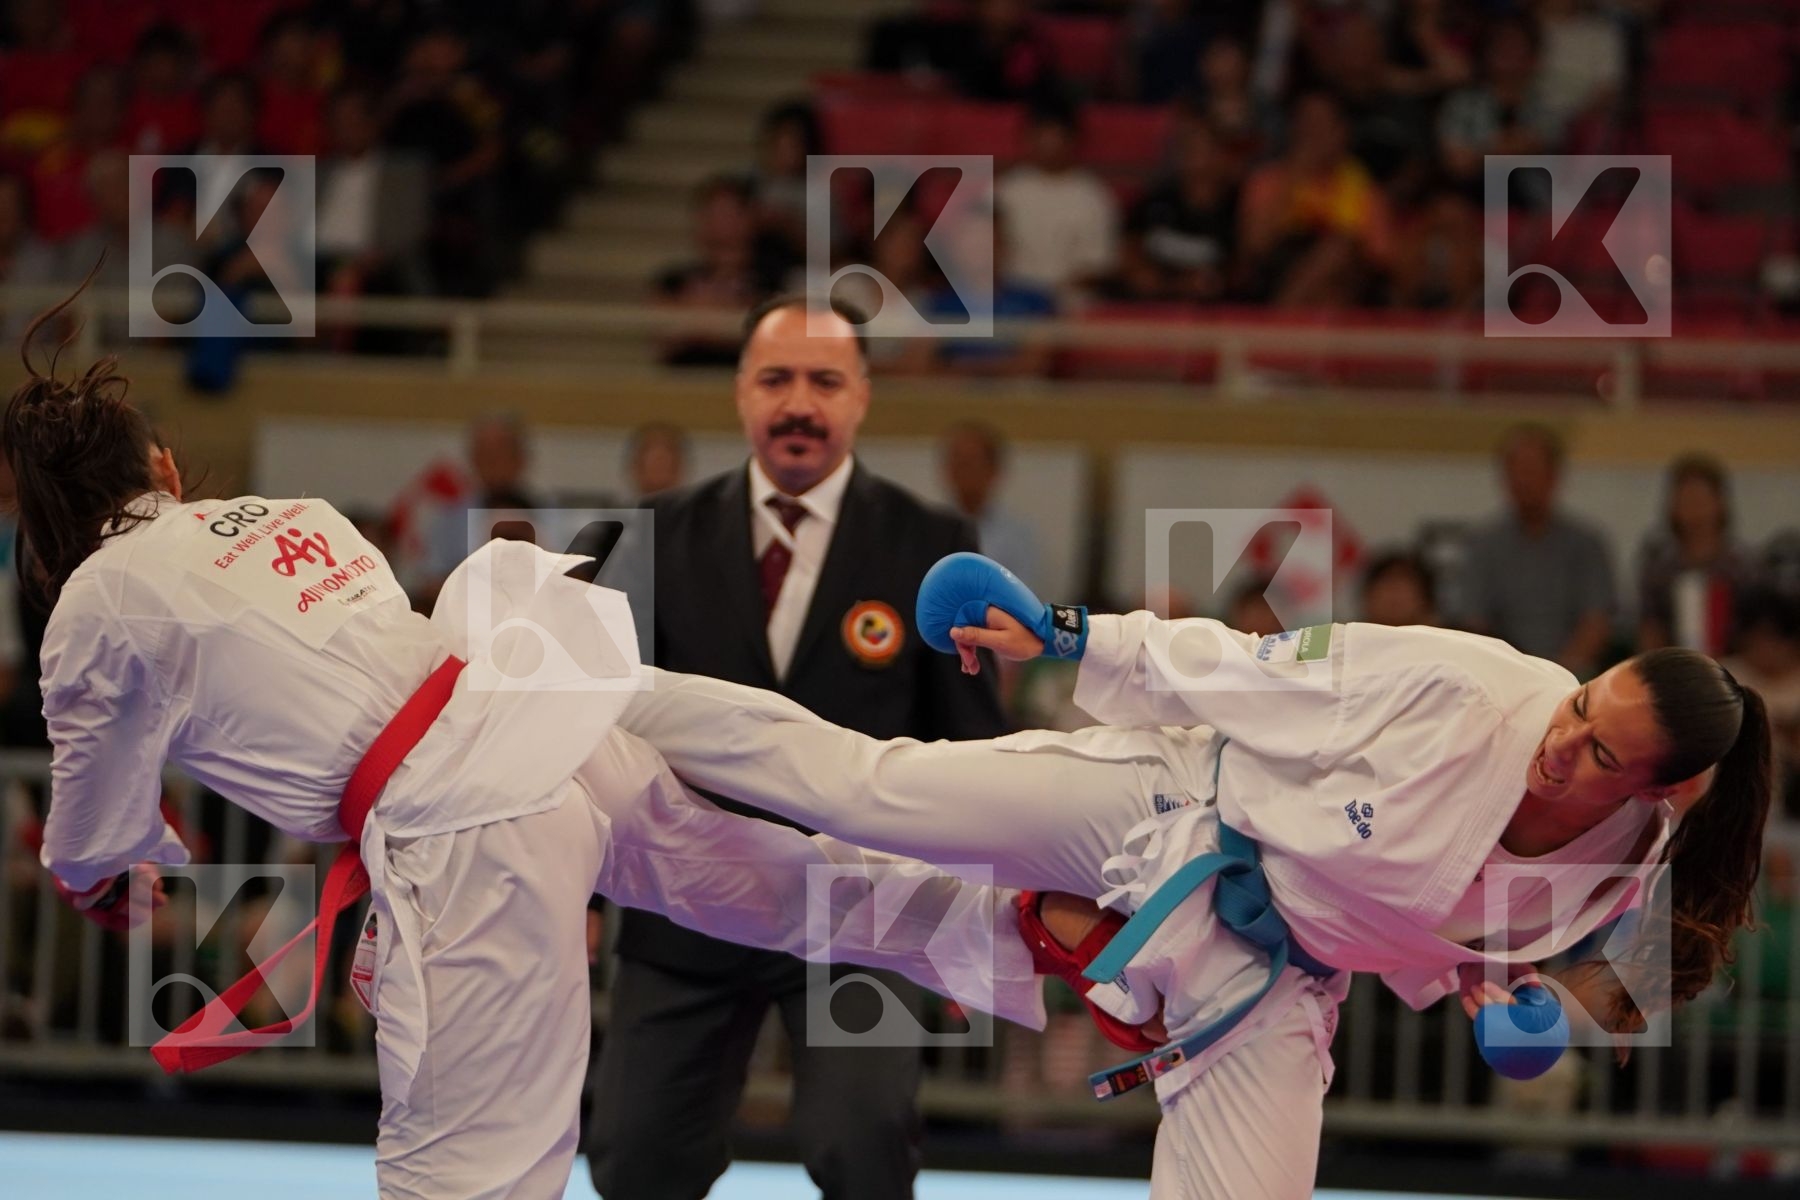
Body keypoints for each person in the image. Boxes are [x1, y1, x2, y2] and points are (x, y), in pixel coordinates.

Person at [7, 290, 1047, 1200]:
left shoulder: (92, 607)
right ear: (165, 467)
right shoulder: (283, 514)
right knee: (793, 866)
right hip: (547, 708)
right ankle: (1046, 922)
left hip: (467, 822)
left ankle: (1042, 918)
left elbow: (94, 822)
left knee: (465, 1172)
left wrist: (105, 872)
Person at [618, 556, 1773, 1199]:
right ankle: (599, 691)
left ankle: (626, 836)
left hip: (1273, 983)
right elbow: (1256, 672)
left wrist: (1501, 992)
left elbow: (1440, 932)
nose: (1564, 739)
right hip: (1173, 813)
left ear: (1655, 794)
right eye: (1583, 704)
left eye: (1603, 754)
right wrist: (1068, 633)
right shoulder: (1469, 685)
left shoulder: (1619, 875)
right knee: (866, 794)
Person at [585, 295, 1010, 1200]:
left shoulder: (931, 545)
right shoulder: (653, 532)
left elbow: (970, 740)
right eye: (776, 379)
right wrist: (578, 888)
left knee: (864, 1145)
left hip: (861, 911)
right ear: (741, 393)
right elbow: (597, 729)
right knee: (634, 1158)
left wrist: (983, 913)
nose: (799, 404)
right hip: (682, 906)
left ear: (862, 399)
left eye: (825, 381)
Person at [1461, 423, 1616, 677]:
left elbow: (1596, 622)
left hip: (1574, 678)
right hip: (1502, 675)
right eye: (1515, 471)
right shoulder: (1482, 543)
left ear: (1555, 476)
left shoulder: (1587, 543)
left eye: (1531, 470)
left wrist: (1558, 675)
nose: (1523, 480)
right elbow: (1474, 623)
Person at [1635, 453, 1757, 657]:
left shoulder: (1742, 567)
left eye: (1700, 499)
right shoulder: (1659, 568)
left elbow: (1755, 632)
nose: (1693, 509)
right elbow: (1650, 628)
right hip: (1673, 667)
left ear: (1719, 503)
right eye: (1685, 499)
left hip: (1735, 667)